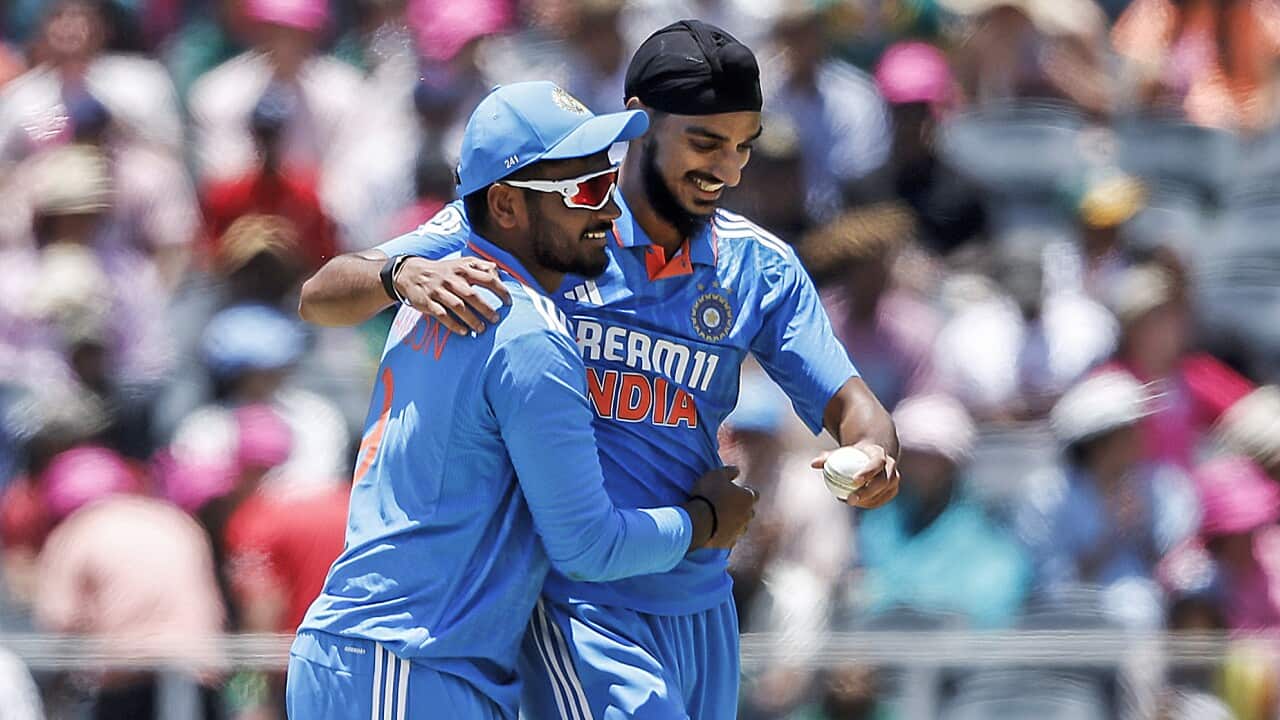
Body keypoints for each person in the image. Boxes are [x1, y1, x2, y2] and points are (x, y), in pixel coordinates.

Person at [298, 20, 899, 719]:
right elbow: (323, 294)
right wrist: (400, 273)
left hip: (697, 593)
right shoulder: (544, 217)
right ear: (639, 124)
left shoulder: (757, 266)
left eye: (745, 146)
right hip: (575, 602)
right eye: (705, 142)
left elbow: (849, 401)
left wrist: (874, 452)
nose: (729, 170)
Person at [287, 81, 756, 720]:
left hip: (397, 659)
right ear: (505, 205)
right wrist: (704, 520)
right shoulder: (520, 325)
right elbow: (590, 547)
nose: (612, 213)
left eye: (610, 185)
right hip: (410, 658)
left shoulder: (446, 281)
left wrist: (397, 275)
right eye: (586, 192)